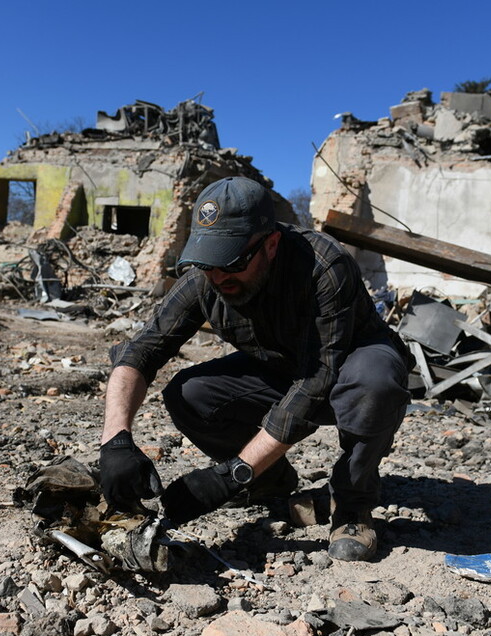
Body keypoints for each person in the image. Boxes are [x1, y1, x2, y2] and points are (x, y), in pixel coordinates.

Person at [98, 176, 411, 561]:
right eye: (209, 263)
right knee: (190, 393)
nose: (218, 277)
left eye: (232, 261)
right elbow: (141, 353)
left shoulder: (324, 265)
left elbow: (317, 380)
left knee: (374, 384)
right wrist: (116, 440)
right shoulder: (205, 278)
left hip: (347, 362)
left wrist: (234, 472)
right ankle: (270, 483)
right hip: (280, 365)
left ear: (271, 244)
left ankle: (352, 504)